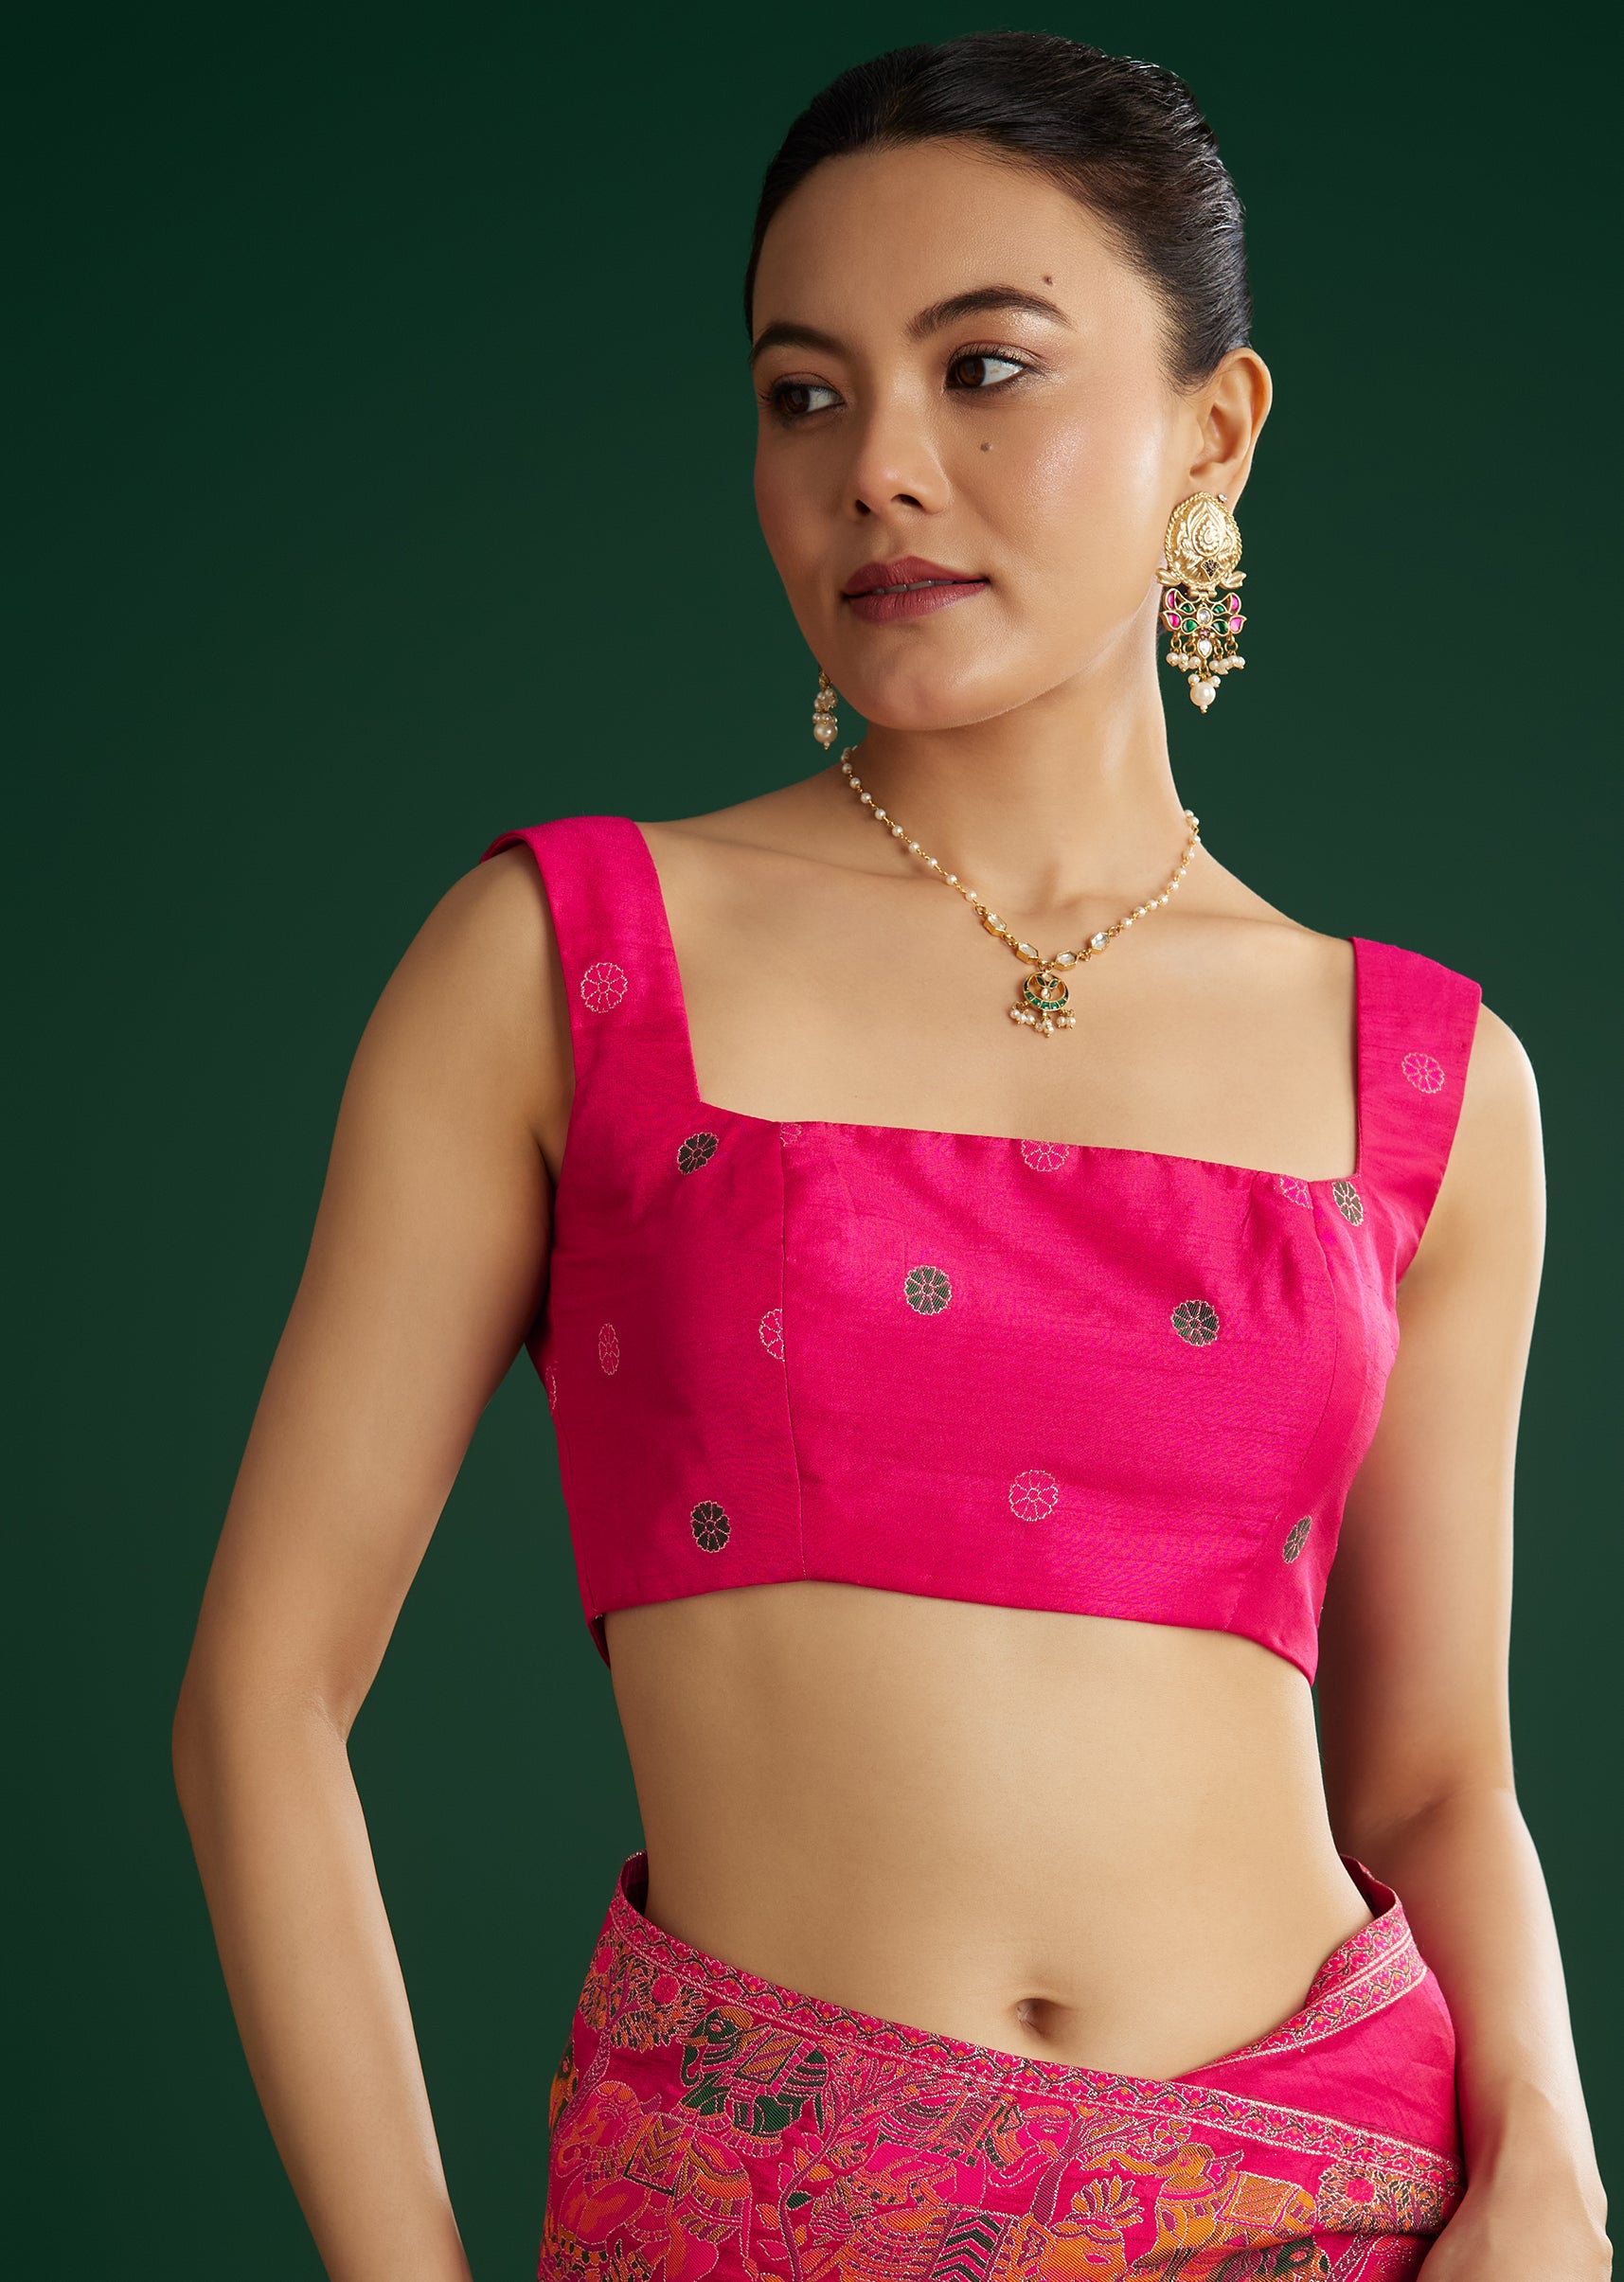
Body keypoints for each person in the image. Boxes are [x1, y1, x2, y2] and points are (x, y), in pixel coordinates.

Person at [171, 30, 1610, 2282]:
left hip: (1332, 2201)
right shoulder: (565, 961)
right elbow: (259, 1702)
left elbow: (1431, 1774)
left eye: (987, 369)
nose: (882, 471)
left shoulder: (1431, 1075)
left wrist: (1557, 2168)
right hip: (752, 2208)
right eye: (805, 394)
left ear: (1215, 434)